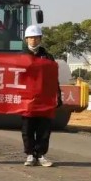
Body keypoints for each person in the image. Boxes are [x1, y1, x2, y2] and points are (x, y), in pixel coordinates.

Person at [22, 25, 61, 167]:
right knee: (28, 128)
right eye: (31, 38)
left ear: (40, 39)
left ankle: (41, 155)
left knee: (44, 129)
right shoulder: (20, 56)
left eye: (36, 37)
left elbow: (53, 78)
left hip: (45, 99)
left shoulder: (48, 57)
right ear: (26, 39)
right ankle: (30, 155)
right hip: (27, 99)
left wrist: (58, 95)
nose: (33, 40)